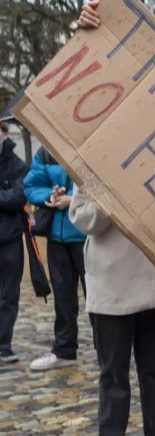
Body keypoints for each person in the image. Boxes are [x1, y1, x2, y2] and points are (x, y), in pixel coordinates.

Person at [69, 185, 155, 436]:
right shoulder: (91, 166)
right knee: (113, 375)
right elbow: (83, 219)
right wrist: (112, 194)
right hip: (112, 289)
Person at [24, 145, 86, 371]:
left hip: (87, 235)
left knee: (98, 297)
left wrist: (72, 200)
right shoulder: (46, 151)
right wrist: (49, 196)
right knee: (63, 297)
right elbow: (31, 185)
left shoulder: (90, 143)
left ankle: (107, 351)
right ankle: (64, 350)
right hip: (57, 237)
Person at [0, 122, 27, 363]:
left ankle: (3, 345)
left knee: (8, 294)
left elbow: (18, 197)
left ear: (5, 134)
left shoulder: (17, 164)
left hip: (9, 237)